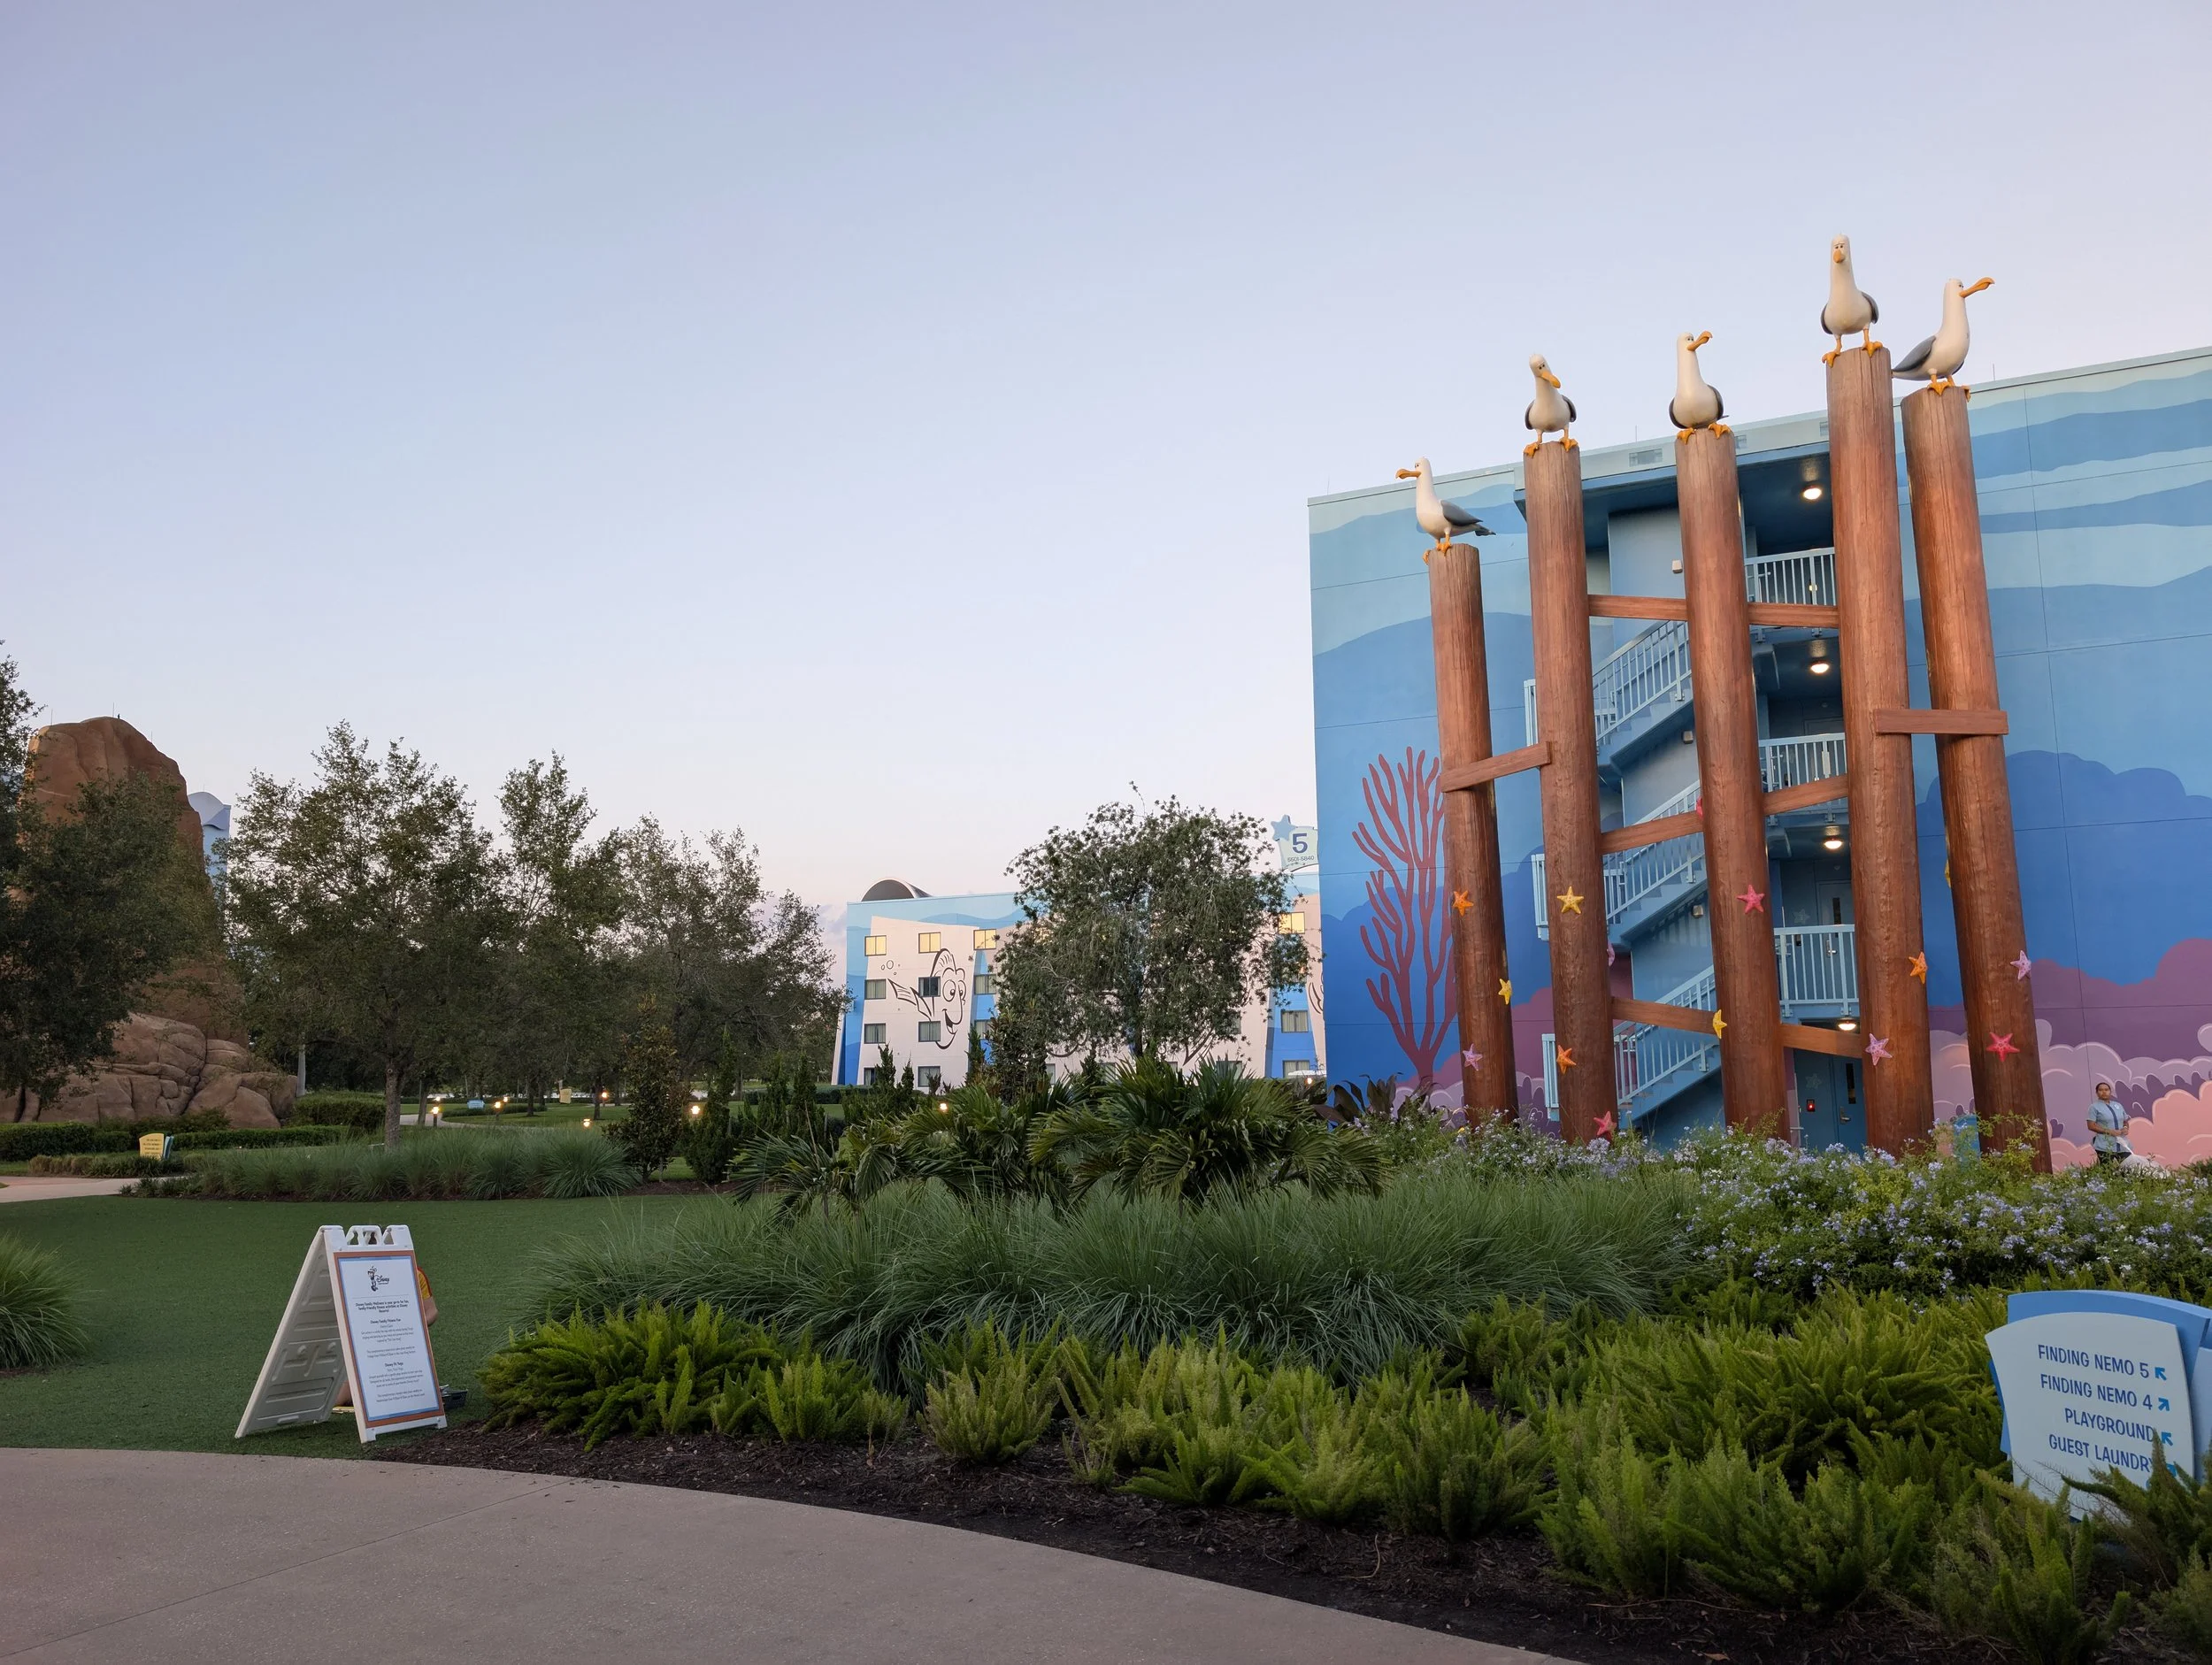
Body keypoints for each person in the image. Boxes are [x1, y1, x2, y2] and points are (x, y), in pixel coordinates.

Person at [2086, 1080, 2134, 1166]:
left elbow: (2125, 1121)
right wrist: (2110, 1132)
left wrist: (2126, 1128)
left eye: (2106, 1090)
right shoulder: (2094, 1107)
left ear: (2110, 1092)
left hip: (2122, 1145)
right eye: (2101, 1090)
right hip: (2105, 1146)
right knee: (2108, 1171)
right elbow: (2091, 1126)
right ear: (2097, 1093)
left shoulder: (2118, 1105)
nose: (2104, 1092)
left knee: (2128, 1169)